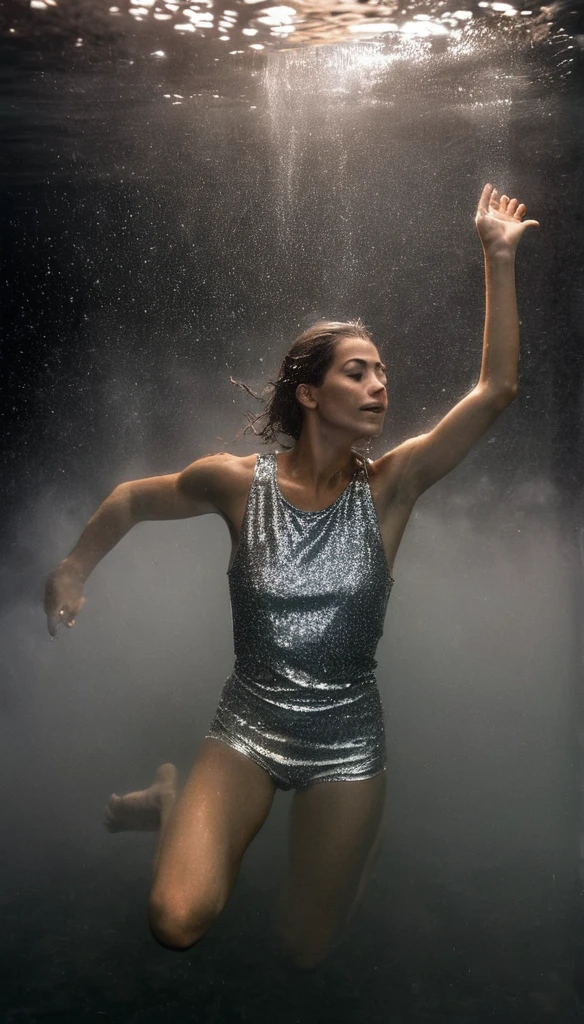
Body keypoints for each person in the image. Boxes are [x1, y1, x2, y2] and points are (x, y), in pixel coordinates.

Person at [44, 184, 539, 969]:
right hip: (247, 725)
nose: (380, 384)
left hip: (347, 740)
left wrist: (498, 255)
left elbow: (496, 391)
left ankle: (352, 843)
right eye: (357, 372)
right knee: (176, 921)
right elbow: (131, 501)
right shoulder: (237, 485)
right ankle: (175, 799)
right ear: (310, 394)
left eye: (381, 371)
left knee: (304, 949)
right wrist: (72, 569)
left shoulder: (392, 487)